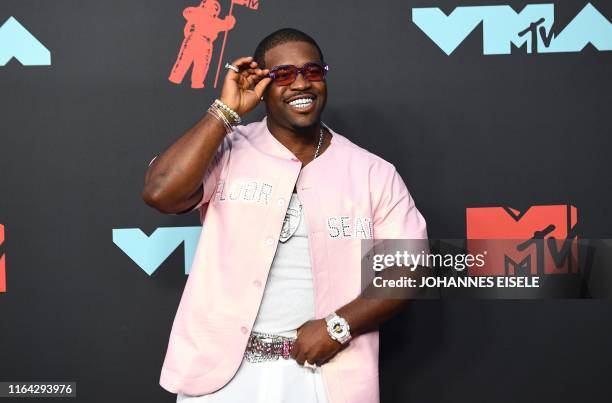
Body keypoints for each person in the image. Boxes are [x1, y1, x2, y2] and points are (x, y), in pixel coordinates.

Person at [143, 28, 427, 403]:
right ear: (261, 82)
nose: (300, 84)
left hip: (325, 374)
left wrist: (337, 326)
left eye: (312, 71)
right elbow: (161, 192)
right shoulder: (227, 149)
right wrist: (225, 112)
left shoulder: (371, 171)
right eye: (283, 74)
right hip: (221, 376)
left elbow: (409, 266)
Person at [168, 0, 236, 89]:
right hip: (193, 38)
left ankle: (197, 83)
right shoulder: (197, 13)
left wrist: (230, 20)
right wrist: (199, 10)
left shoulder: (215, 21)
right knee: (184, 60)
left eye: (216, 8)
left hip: (206, 44)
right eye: (212, 6)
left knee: (201, 65)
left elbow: (226, 25)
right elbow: (186, 12)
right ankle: (175, 78)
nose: (213, 9)